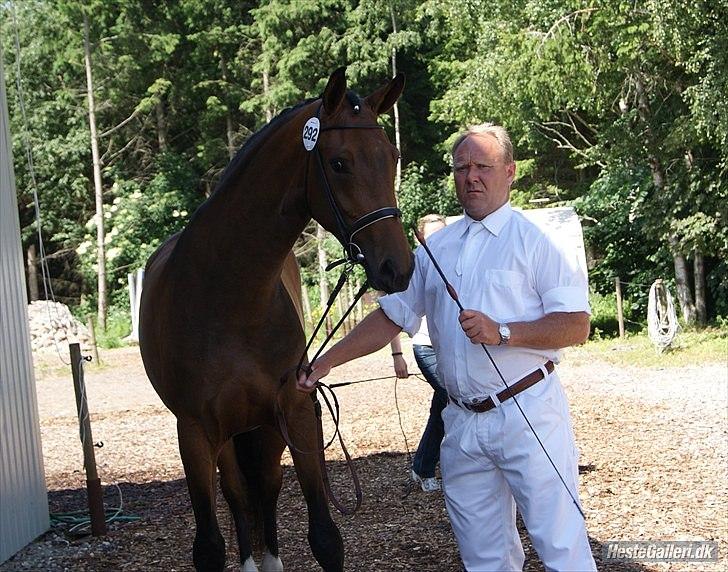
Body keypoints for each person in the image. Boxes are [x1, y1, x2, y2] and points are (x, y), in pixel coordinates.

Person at [298, 123, 596, 571]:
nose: (471, 176)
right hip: (460, 421)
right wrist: (322, 364)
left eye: (483, 166)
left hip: (528, 411)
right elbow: (391, 317)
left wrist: (505, 333)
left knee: (561, 546)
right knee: (484, 558)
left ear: (510, 172)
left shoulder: (536, 243)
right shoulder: (436, 246)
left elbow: (576, 325)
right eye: (462, 167)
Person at [389, 214, 447, 493]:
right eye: (431, 236)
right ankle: (430, 467)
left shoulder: (453, 258)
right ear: (419, 238)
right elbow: (394, 312)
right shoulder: (413, 265)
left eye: (442, 233)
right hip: (426, 347)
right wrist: (396, 355)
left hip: (450, 349)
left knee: (443, 405)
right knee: (454, 398)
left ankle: (422, 466)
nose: (437, 240)